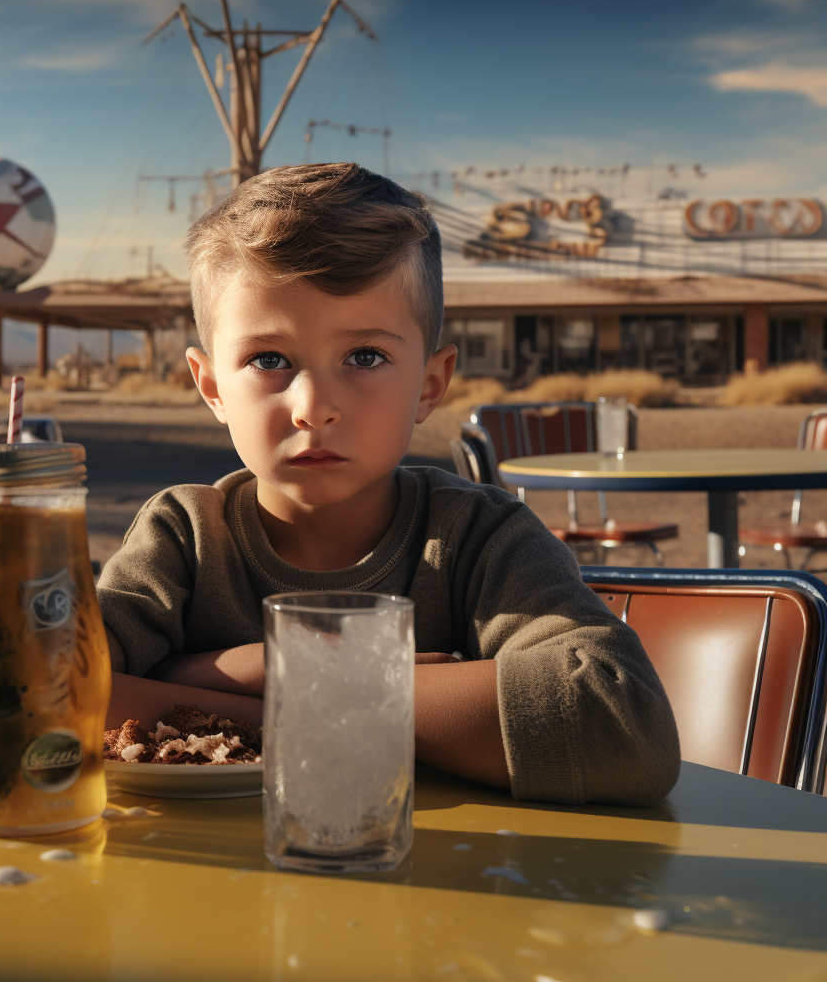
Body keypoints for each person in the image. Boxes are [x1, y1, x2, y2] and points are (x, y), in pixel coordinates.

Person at [98, 163, 679, 806]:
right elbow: (47, 695)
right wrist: (378, 685)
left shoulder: (476, 537)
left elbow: (622, 729)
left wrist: (264, 670)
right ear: (211, 386)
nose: (313, 407)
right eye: (269, 360)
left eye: (365, 357)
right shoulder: (182, 537)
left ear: (430, 384)